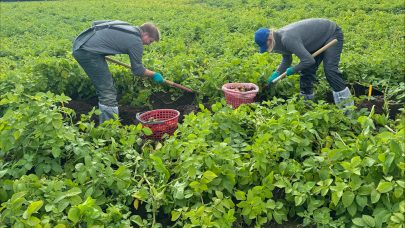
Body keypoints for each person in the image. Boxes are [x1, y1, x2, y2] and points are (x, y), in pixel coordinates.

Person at [72, 20, 164, 123]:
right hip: (87, 52)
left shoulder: (127, 27)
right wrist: (154, 74)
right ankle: (109, 126)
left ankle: (107, 120)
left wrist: (99, 47)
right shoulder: (136, 41)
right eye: (150, 41)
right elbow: (137, 70)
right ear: (145, 34)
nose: (148, 44)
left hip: (82, 43)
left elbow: (97, 24)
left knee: (105, 85)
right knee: (107, 91)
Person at [254, 18, 354, 109]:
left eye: (265, 46)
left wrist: (292, 70)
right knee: (307, 70)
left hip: (331, 33)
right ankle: (307, 105)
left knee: (330, 70)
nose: (267, 49)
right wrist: (277, 73)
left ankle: (347, 108)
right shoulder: (277, 40)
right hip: (316, 39)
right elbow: (287, 59)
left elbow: (308, 60)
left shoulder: (287, 38)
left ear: (269, 40)